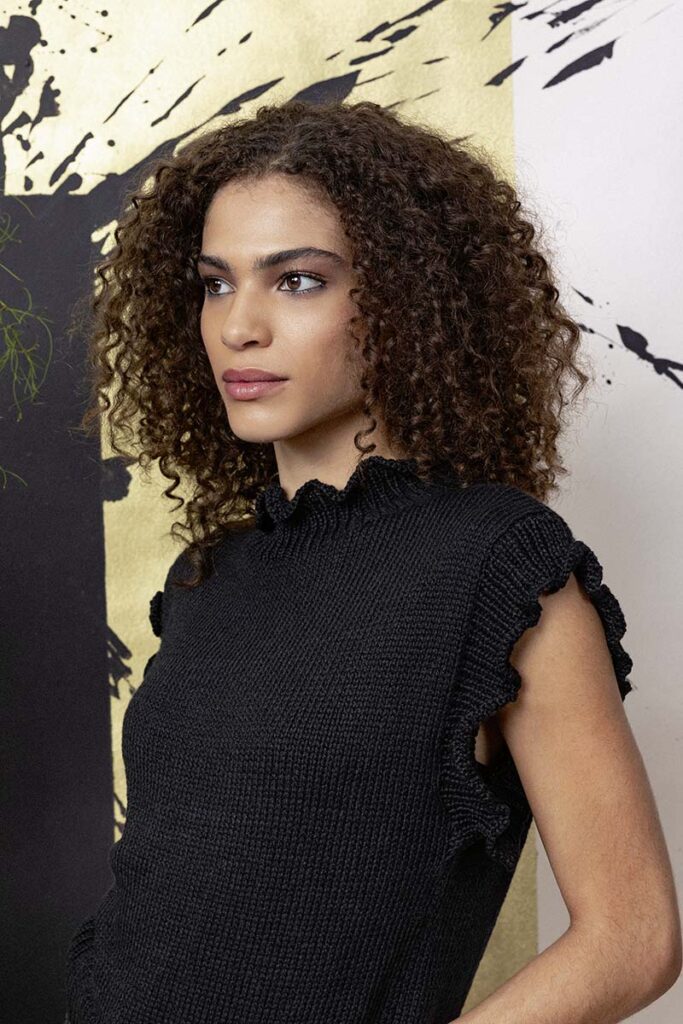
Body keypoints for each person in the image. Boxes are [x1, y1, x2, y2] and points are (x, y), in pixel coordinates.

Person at [64, 99, 680, 1023]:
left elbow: (631, 939)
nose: (238, 327)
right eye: (215, 284)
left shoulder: (494, 565)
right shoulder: (211, 574)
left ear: (402, 301)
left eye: (297, 281)